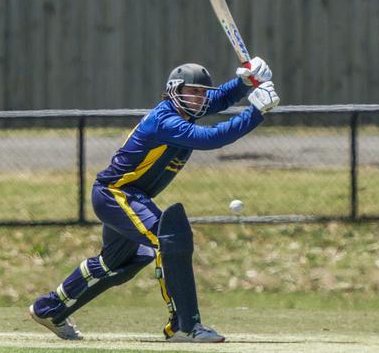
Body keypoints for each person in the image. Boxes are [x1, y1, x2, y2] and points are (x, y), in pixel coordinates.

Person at [29, 57, 280, 343]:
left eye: (201, 92)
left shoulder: (187, 109)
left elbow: (220, 98)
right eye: (192, 91)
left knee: (121, 263)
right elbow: (212, 138)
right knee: (169, 238)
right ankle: (184, 326)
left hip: (129, 195)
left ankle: (49, 308)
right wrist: (256, 111)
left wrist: (245, 82)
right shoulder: (166, 120)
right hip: (116, 192)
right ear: (174, 90)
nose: (198, 97)